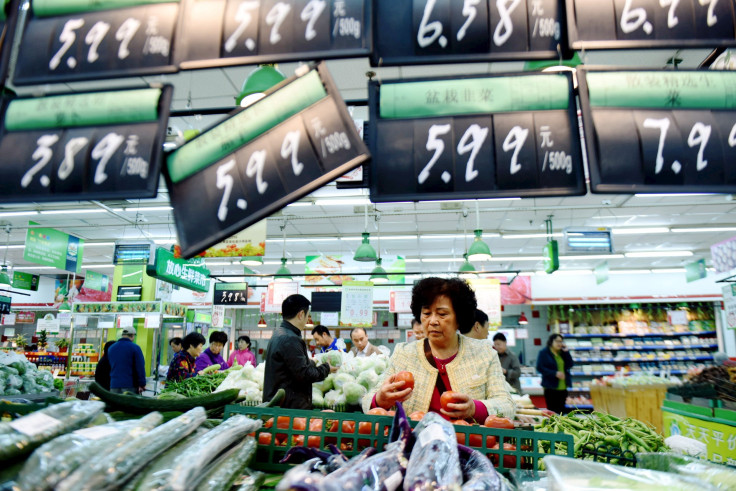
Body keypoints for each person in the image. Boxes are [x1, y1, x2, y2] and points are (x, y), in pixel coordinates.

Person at [364, 277, 514, 421]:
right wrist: (380, 399)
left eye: (442, 314)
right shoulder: (405, 354)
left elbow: (507, 405)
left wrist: (475, 408)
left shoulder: (484, 353)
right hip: (416, 443)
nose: (433, 321)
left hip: (468, 443)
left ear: (459, 318)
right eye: (427, 314)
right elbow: (367, 401)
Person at [263, 294, 336, 409]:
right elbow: (304, 375)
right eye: (308, 315)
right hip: (288, 411)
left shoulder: (279, 333)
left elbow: (293, 367)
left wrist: (311, 362)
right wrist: (326, 368)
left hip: (282, 406)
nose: (307, 319)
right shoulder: (290, 339)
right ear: (301, 314)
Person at [536, 333, 574, 414]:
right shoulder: (544, 353)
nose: (559, 343)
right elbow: (540, 368)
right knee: (552, 412)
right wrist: (554, 373)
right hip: (550, 387)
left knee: (561, 412)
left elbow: (570, 364)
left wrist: (567, 352)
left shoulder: (562, 353)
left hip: (563, 387)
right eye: (557, 341)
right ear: (551, 341)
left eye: (561, 341)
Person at [108, 327, 146, 395]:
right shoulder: (135, 348)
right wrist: (142, 384)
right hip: (130, 385)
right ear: (132, 335)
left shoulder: (111, 348)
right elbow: (140, 367)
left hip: (114, 385)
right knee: (128, 405)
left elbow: (110, 365)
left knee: (114, 405)